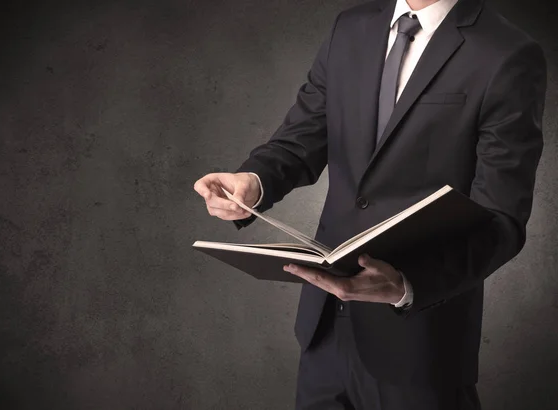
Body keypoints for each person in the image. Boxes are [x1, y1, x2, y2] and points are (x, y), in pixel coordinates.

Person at [193, 0, 547, 408]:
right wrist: (253, 181)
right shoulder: (350, 28)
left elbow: (500, 220)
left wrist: (407, 285)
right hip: (323, 332)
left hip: (420, 342)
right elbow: (303, 137)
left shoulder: (507, 53)